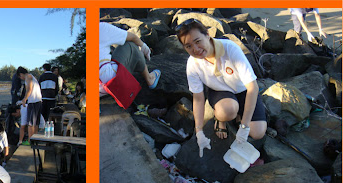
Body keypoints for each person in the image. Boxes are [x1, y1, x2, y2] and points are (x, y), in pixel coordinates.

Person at [177, 19, 267, 155]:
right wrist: (199, 131)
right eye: (188, 46)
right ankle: (221, 120)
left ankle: (240, 116)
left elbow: (252, 88)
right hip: (220, 91)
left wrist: (244, 126)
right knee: (227, 111)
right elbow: (198, 98)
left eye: (198, 41)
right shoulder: (192, 64)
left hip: (243, 90)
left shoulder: (230, 48)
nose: (195, 49)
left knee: (258, 133)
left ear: (207, 35)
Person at [99, 21, 161, 101]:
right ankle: (149, 78)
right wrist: (143, 46)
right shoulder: (100, 28)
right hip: (110, 81)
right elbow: (132, 37)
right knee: (129, 44)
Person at [16, 67, 42, 146]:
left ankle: (30, 141)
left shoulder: (28, 77)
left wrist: (24, 99)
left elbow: (29, 89)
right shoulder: (32, 77)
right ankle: (35, 140)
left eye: (20, 77)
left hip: (33, 102)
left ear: (21, 74)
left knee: (30, 124)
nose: (21, 78)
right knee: (36, 123)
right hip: (38, 101)